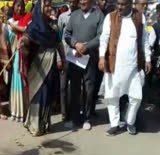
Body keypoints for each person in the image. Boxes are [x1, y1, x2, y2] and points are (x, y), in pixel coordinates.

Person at [99, 0, 151, 135]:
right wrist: (101, 57)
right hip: (114, 64)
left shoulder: (140, 17)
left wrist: (148, 59)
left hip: (133, 66)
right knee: (112, 96)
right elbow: (104, 38)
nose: (119, 7)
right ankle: (114, 124)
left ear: (130, 4)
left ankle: (130, 121)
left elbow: (144, 39)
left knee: (136, 97)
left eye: (123, 4)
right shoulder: (110, 17)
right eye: (118, 4)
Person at [18, 0, 66, 136]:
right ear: (40, 8)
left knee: (48, 95)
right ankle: (34, 124)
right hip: (37, 66)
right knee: (38, 95)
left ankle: (44, 123)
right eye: (47, 5)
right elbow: (28, 37)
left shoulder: (54, 26)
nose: (49, 7)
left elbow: (59, 44)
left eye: (50, 5)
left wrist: (62, 59)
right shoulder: (34, 26)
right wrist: (22, 41)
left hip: (51, 66)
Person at [64, 0, 104, 130]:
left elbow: (100, 36)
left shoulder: (98, 15)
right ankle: (75, 118)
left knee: (89, 88)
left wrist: (86, 46)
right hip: (75, 58)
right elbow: (67, 34)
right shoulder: (74, 15)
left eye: (85, 0)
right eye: (80, 0)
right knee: (74, 89)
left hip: (90, 58)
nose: (82, 2)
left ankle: (87, 117)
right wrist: (76, 44)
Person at [6, 0, 32, 122]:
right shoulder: (10, 22)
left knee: (23, 81)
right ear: (13, 7)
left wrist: (15, 27)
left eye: (22, 6)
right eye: (17, 6)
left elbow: (27, 30)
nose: (20, 8)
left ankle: (25, 111)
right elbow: (6, 41)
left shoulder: (27, 18)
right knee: (16, 82)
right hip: (14, 56)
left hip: (25, 56)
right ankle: (16, 111)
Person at [57, 0, 79, 126]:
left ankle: (75, 113)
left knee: (76, 87)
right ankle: (64, 114)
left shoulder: (82, 17)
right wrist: (59, 59)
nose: (72, 2)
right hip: (65, 55)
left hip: (78, 57)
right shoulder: (62, 17)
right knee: (63, 87)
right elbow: (58, 39)